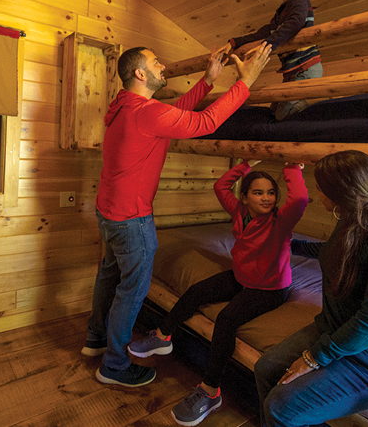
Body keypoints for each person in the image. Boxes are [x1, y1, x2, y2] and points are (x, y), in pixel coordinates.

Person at [83, 43, 274, 389]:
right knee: (132, 291)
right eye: (156, 62)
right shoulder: (145, 111)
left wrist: (207, 81)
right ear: (141, 73)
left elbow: (172, 113)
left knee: (109, 275)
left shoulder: (124, 106)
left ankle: (96, 338)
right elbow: (206, 121)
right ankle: (114, 365)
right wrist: (245, 83)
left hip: (108, 211)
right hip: (131, 219)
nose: (163, 65)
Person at [254, 150, 368, 427]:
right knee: (266, 367)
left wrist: (314, 358)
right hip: (337, 329)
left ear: (340, 192)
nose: (317, 195)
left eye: (320, 189)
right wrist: (289, 245)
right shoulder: (354, 220)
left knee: (281, 405)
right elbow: (336, 252)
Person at [129, 159, 308, 425]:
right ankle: (162, 335)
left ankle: (210, 391)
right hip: (242, 276)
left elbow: (301, 199)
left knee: (226, 320)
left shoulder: (280, 221)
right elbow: (221, 186)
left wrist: (292, 168)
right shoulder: (239, 211)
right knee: (197, 291)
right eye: (258, 192)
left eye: (271, 192)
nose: (267, 198)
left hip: (269, 288)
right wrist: (245, 164)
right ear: (245, 196)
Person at [224, 0, 322, 121]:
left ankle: (314, 112)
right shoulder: (282, 11)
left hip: (305, 68)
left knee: (283, 115)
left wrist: (267, 44)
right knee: (274, 109)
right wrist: (234, 42)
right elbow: (264, 31)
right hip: (293, 72)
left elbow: (296, 22)